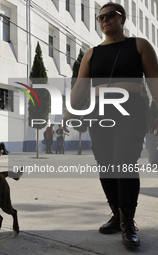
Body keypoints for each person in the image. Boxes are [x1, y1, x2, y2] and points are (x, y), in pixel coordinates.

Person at [62, 2, 158, 248]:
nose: (104, 20)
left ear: (122, 18)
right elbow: (81, 86)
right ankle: (116, 214)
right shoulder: (92, 53)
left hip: (130, 110)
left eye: (109, 16)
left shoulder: (139, 45)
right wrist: (67, 112)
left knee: (124, 161)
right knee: (105, 163)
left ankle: (128, 221)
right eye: (100, 17)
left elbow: (154, 82)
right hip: (99, 111)